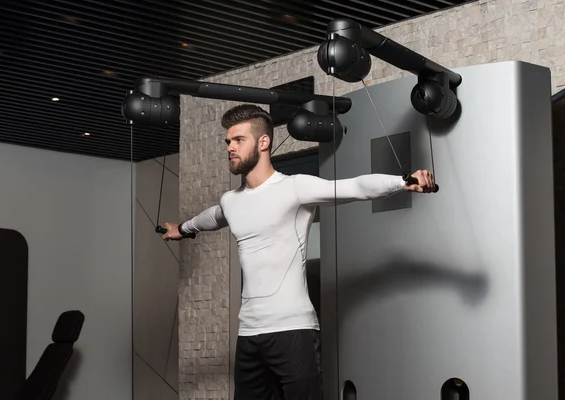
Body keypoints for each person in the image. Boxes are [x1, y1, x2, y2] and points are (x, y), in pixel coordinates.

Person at [161, 104, 436, 400]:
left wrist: (403, 181)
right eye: (228, 141)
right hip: (249, 334)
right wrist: (183, 228)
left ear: (263, 142)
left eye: (238, 140)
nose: (230, 147)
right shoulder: (231, 200)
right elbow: (213, 217)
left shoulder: (295, 188)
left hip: (292, 330)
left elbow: (353, 187)